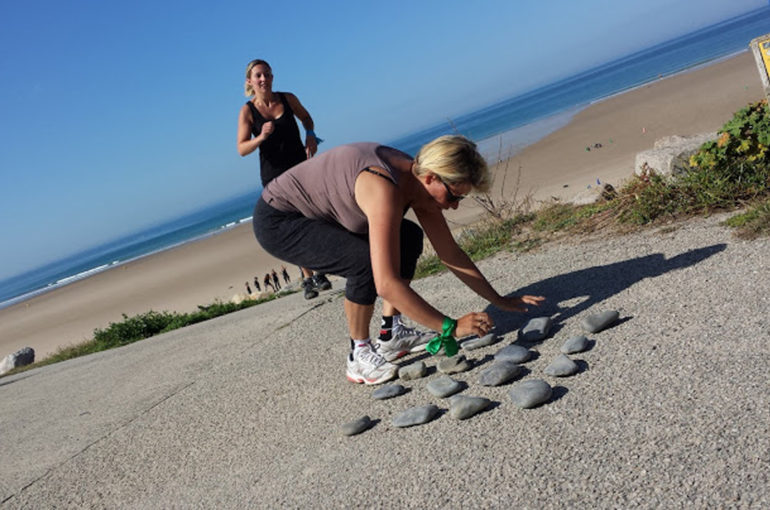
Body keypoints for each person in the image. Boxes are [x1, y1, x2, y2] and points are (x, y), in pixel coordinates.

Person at [253, 135, 545, 385]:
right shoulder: (382, 187)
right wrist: (450, 327)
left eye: (461, 200)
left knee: (408, 237)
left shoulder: (421, 180)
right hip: (281, 221)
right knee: (363, 264)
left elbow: (450, 254)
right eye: (454, 196)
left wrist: (500, 300)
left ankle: (391, 334)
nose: (454, 207)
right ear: (431, 178)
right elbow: (387, 285)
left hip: (326, 214)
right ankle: (358, 353)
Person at [237, 58, 332, 300]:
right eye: (258, 75)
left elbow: (306, 118)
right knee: (292, 225)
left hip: (300, 167)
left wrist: (310, 135)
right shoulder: (248, 111)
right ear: (250, 81)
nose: (263, 79)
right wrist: (261, 137)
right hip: (274, 176)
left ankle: (321, 271)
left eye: (267, 74)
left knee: (313, 217)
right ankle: (308, 278)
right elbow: (241, 148)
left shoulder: (288, 98)